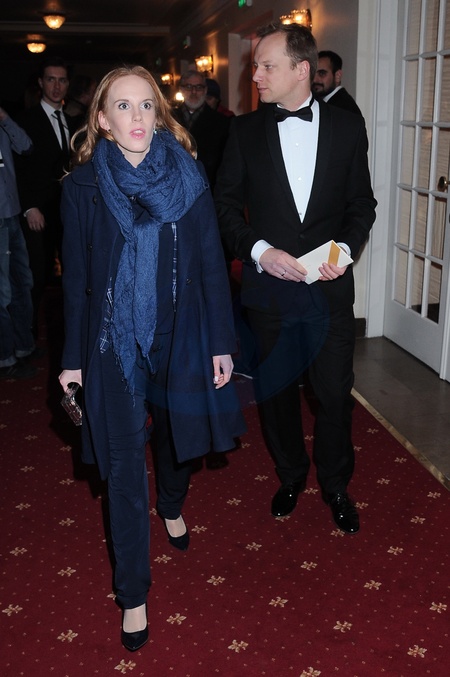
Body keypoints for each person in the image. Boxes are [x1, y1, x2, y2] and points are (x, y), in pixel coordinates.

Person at [58, 65, 245, 652]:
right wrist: (72, 359)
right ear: (102, 120)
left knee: (174, 435)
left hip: (180, 332)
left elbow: (210, 262)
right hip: (112, 341)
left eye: (146, 105)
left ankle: (172, 501)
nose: (136, 117)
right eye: (123, 106)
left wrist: (220, 342)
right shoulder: (82, 188)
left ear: (159, 113)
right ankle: (133, 592)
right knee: (122, 466)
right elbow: (76, 282)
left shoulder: (188, 176)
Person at [215, 22, 376, 534]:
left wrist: (345, 250)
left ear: (301, 69)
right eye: (256, 66)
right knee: (277, 395)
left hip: (329, 292)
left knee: (334, 395)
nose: (255, 75)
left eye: (266, 66)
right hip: (269, 294)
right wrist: (260, 253)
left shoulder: (348, 127)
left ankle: (336, 484)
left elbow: (362, 203)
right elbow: (224, 208)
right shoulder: (243, 131)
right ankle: (290, 475)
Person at [14, 57, 78, 337]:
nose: (56, 86)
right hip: (37, 211)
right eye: (51, 79)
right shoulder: (24, 121)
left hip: (68, 211)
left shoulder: (73, 121)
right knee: (35, 276)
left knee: (72, 273)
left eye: (62, 80)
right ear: (41, 83)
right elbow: (16, 170)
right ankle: (26, 336)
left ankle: (68, 332)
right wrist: (29, 207)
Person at [0, 106, 37, 380]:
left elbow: (26, 147)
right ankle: (5, 358)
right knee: (2, 293)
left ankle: (24, 346)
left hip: (12, 214)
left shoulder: (3, 124)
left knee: (23, 283)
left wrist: (4, 118)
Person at [172, 70, 230, 190]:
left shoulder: (223, 123)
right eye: (189, 87)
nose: (194, 92)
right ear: (181, 89)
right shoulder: (169, 119)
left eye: (198, 87)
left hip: (207, 188)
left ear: (205, 90)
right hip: (173, 187)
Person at [312, 50, 362, 115]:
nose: (315, 80)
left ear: (337, 76)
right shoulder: (329, 103)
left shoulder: (343, 108)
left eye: (322, 73)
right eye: (312, 74)